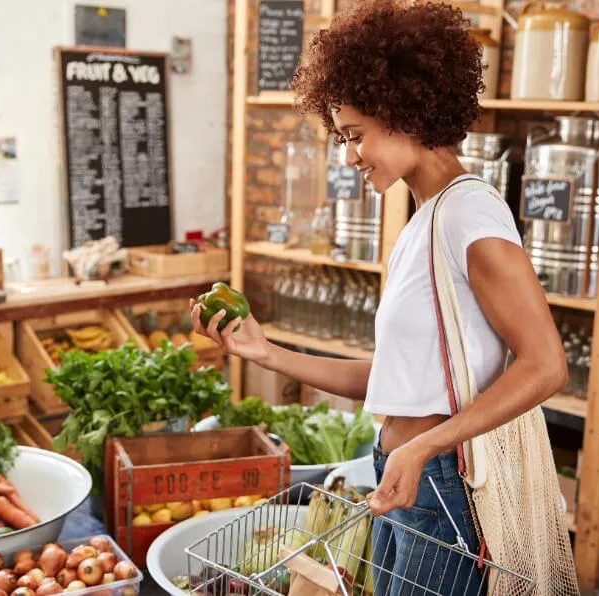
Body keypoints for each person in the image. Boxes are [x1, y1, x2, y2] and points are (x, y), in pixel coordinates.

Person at [192, 1, 572, 593]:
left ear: (404, 111)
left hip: (446, 487)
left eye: (355, 135)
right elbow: (396, 379)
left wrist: (424, 448)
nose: (348, 155)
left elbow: (546, 365)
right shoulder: (426, 218)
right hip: (406, 475)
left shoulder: (467, 215)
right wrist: (265, 352)